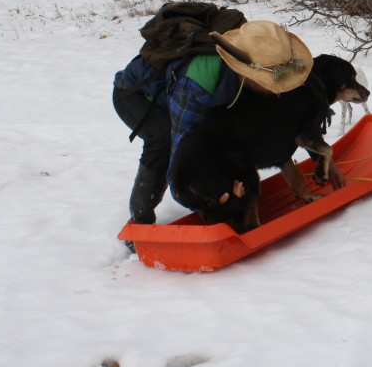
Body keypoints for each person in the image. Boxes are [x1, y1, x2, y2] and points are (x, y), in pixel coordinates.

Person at [112, 20, 313, 226]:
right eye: (269, 81)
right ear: (246, 72)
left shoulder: (260, 47)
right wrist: (219, 207)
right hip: (137, 96)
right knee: (164, 141)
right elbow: (181, 168)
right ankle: (139, 221)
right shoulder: (195, 88)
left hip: (200, 94)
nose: (277, 87)